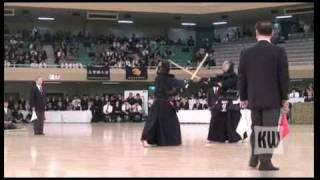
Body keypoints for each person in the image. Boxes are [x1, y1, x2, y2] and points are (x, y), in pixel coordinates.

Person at [238, 20, 289, 171]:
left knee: (256, 128)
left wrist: (243, 97)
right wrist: (285, 98)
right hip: (272, 98)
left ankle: (254, 158)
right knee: (268, 129)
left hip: (254, 98)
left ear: (256, 33)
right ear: (272, 33)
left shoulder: (246, 52)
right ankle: (265, 162)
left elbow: (242, 77)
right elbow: (283, 77)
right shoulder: (279, 51)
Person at [141, 60, 189, 147]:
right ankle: (146, 139)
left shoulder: (163, 78)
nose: (158, 68)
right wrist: (184, 83)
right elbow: (174, 84)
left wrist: (183, 85)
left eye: (159, 67)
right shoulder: (162, 78)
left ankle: (163, 141)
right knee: (153, 122)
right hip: (161, 103)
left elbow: (170, 91)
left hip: (163, 103)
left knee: (165, 122)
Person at [202, 60, 241, 143]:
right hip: (221, 100)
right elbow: (216, 81)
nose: (223, 66)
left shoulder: (234, 77)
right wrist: (207, 80)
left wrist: (214, 83)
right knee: (216, 117)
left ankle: (232, 136)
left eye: (225, 64)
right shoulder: (222, 76)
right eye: (222, 64)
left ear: (230, 66)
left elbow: (224, 84)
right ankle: (216, 137)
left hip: (231, 100)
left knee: (230, 119)